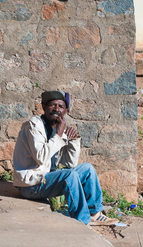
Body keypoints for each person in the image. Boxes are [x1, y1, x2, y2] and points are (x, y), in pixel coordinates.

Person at [12, 91, 118, 226]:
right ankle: (81, 221)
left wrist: (73, 141)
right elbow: (41, 158)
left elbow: (70, 163)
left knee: (87, 169)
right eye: (52, 105)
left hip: (46, 179)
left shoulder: (57, 128)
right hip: (31, 185)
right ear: (43, 107)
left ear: (66, 111)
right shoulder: (34, 126)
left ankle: (94, 213)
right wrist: (59, 135)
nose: (57, 110)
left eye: (61, 107)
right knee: (69, 175)